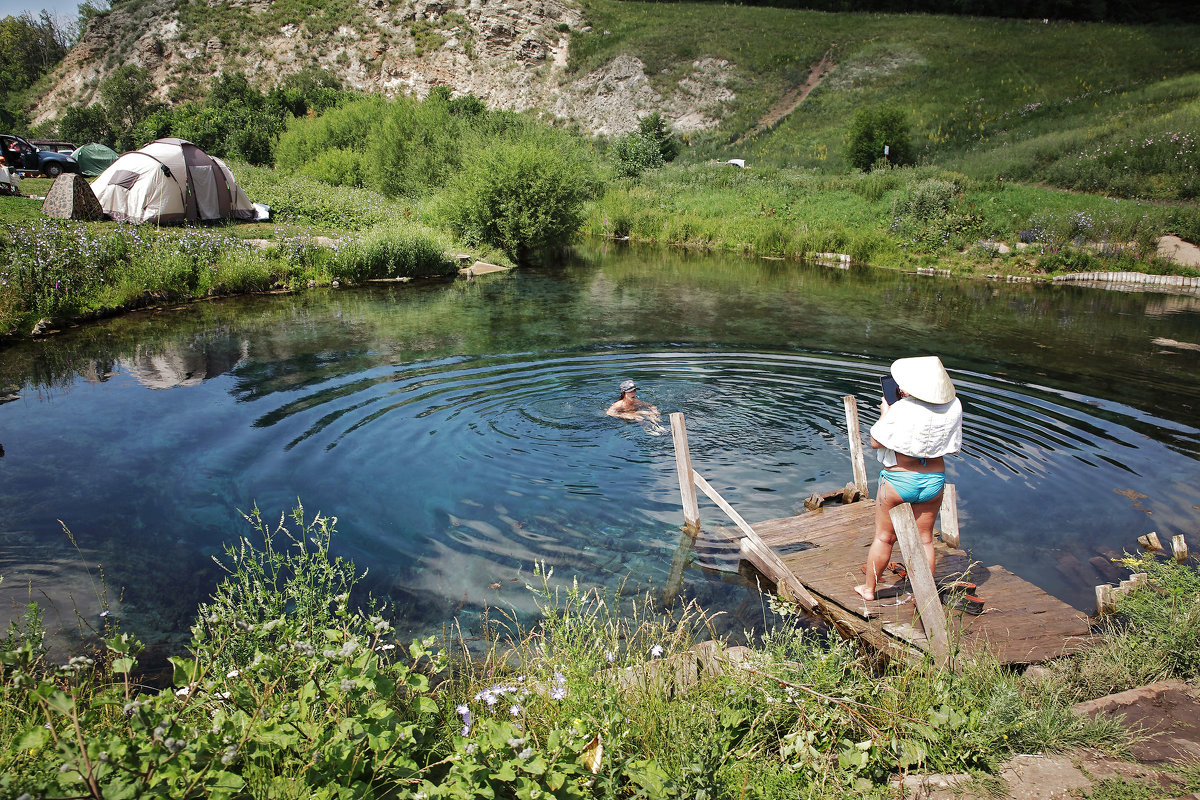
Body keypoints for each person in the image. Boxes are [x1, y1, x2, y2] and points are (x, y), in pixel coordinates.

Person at [854, 356, 963, 602]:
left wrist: (886, 413)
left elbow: (875, 442)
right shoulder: (954, 406)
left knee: (884, 537)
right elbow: (952, 446)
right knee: (925, 539)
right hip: (933, 480)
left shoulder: (901, 408)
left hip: (898, 481)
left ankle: (869, 589)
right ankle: (922, 595)